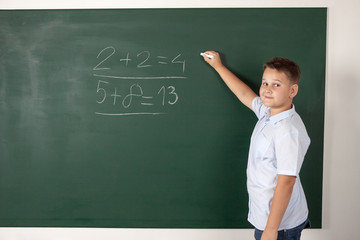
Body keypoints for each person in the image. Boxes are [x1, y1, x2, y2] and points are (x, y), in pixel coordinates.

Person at [202, 51, 311, 240]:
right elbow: (245, 94)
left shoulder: (287, 131)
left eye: (276, 85)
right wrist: (219, 67)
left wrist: (271, 230)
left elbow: (287, 182)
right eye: (265, 83)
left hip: (279, 225)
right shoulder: (269, 113)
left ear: (292, 91)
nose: (267, 89)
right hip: (266, 216)